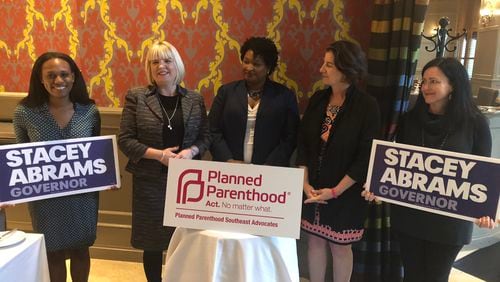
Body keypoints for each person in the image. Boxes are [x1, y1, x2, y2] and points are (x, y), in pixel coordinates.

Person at [363, 57, 497, 282]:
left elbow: (482, 175)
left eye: (434, 81)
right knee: (412, 276)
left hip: (449, 224)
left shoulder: (475, 123)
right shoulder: (409, 120)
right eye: (424, 80)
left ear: (453, 84)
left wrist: (484, 208)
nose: (425, 87)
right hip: (410, 219)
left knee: (436, 278)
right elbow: (397, 164)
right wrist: (378, 185)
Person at [118, 40, 209, 282]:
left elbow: (205, 136)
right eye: (155, 61)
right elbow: (125, 139)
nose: (161, 66)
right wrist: (159, 155)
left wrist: (191, 151)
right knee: (153, 242)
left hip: (188, 183)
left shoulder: (194, 99)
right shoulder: (137, 97)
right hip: (150, 182)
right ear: (149, 67)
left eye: (167, 60)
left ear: (176, 64)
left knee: (186, 239)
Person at [296, 40, 381, 282]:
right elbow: (303, 144)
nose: (322, 69)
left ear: (347, 68)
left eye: (329, 65)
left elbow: (365, 156)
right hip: (312, 189)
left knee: (340, 247)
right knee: (314, 241)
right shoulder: (318, 99)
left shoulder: (367, 106)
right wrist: (305, 183)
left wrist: (334, 192)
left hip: (346, 193)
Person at [12, 52, 101, 282]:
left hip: (82, 195)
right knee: (53, 252)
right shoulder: (24, 113)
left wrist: (106, 176)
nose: (58, 81)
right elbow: (22, 160)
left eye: (64, 74)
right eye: (51, 76)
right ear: (40, 80)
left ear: (73, 76)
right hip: (46, 198)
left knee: (82, 248)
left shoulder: (89, 111)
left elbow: (97, 154)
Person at [208, 36, 299, 166]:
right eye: (246, 61)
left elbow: (290, 137)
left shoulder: (284, 96)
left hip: (269, 172)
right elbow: (212, 129)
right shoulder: (226, 92)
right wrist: (228, 160)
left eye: (256, 64)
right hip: (229, 171)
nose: (249, 67)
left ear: (268, 68)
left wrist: (269, 166)